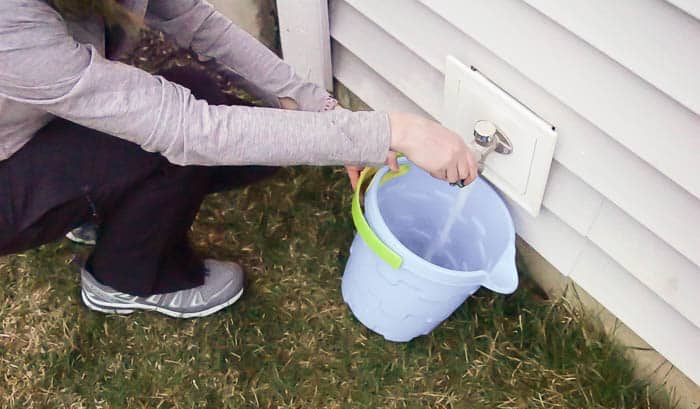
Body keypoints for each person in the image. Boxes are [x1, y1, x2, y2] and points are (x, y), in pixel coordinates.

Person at [0, 0, 477, 318]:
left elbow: (198, 23)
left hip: (33, 123)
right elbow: (189, 131)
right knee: (169, 148)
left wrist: (311, 103)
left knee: (201, 99)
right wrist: (392, 131)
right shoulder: (11, 25)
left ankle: (95, 207)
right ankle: (123, 279)